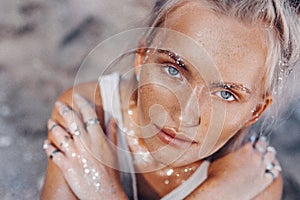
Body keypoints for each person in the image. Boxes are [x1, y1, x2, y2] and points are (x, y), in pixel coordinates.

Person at [41, 0, 299, 199]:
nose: (184, 115)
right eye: (174, 70)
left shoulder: (254, 180)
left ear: (255, 111)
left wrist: (105, 193)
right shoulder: (87, 114)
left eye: (226, 94)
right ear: (142, 58)